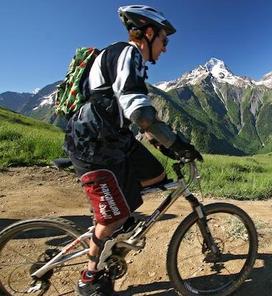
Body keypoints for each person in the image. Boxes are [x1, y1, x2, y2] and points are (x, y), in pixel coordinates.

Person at [63, 5, 202, 296]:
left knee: (155, 175)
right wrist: (176, 144)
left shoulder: (120, 56)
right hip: (95, 144)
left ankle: (119, 219)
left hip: (113, 140)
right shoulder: (129, 54)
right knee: (111, 217)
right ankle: (90, 277)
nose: (165, 49)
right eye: (165, 40)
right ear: (148, 33)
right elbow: (140, 113)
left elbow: (129, 114)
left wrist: (162, 144)